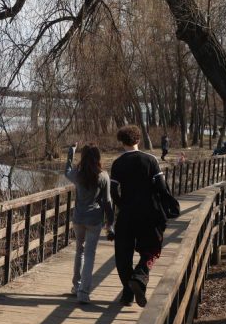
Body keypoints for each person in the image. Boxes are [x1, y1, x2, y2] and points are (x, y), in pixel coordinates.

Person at [110, 125, 177, 307]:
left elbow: (113, 191)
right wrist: (170, 206)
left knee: (123, 254)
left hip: (127, 214)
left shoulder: (118, 163)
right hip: (149, 213)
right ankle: (139, 277)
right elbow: (161, 187)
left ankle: (127, 294)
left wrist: (122, 206)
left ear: (122, 142)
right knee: (151, 248)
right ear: (138, 139)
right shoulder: (150, 160)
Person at [65, 142, 115, 304]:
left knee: (79, 251)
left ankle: (76, 285)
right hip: (94, 220)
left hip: (78, 218)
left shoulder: (78, 174)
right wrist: (110, 223)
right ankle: (84, 292)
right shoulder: (103, 176)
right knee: (89, 255)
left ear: (84, 157)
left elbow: (67, 172)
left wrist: (71, 152)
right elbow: (107, 201)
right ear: (98, 157)